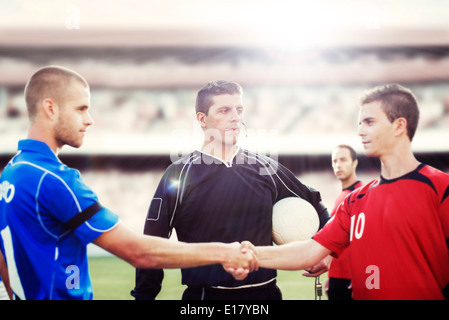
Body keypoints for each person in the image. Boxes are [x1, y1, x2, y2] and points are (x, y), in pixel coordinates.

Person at [0, 66, 258, 300]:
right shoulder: (55, 180)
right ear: (50, 108)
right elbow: (137, 252)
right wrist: (225, 252)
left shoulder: (12, 173)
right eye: (81, 109)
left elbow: (3, 259)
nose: (89, 119)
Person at [242, 83, 449, 300]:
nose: (360, 131)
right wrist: (247, 254)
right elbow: (309, 252)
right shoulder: (355, 200)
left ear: (398, 126)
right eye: (359, 123)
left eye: (369, 122)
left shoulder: (440, 188)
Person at [131, 80, 330, 300]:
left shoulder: (265, 168)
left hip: (265, 296)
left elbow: (314, 201)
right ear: (202, 119)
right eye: (224, 110)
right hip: (204, 298)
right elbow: (152, 241)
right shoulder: (178, 174)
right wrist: (144, 296)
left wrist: (325, 251)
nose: (235, 117)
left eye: (239, 109)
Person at [327, 144, 362, 299]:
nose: (338, 165)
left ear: (354, 163)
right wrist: (331, 275)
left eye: (343, 160)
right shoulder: (342, 195)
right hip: (337, 276)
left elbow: (365, 241)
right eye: (334, 161)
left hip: (351, 278)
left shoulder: (361, 195)